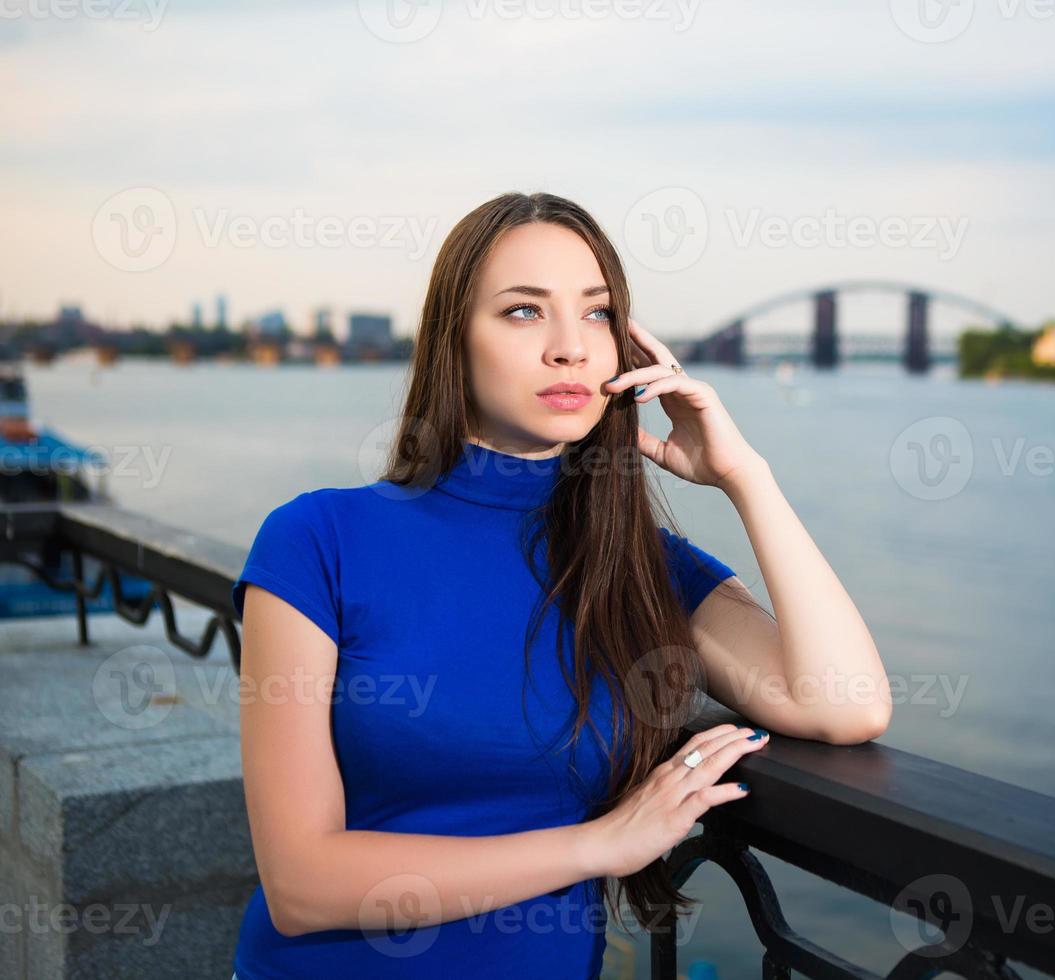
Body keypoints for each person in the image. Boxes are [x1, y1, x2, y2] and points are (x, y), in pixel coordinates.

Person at [230, 191, 891, 979]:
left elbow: (845, 703)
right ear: (454, 340)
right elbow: (301, 884)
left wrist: (746, 477)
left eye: (597, 313)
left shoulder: (642, 568)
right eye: (522, 313)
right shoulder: (318, 540)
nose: (570, 348)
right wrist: (596, 845)